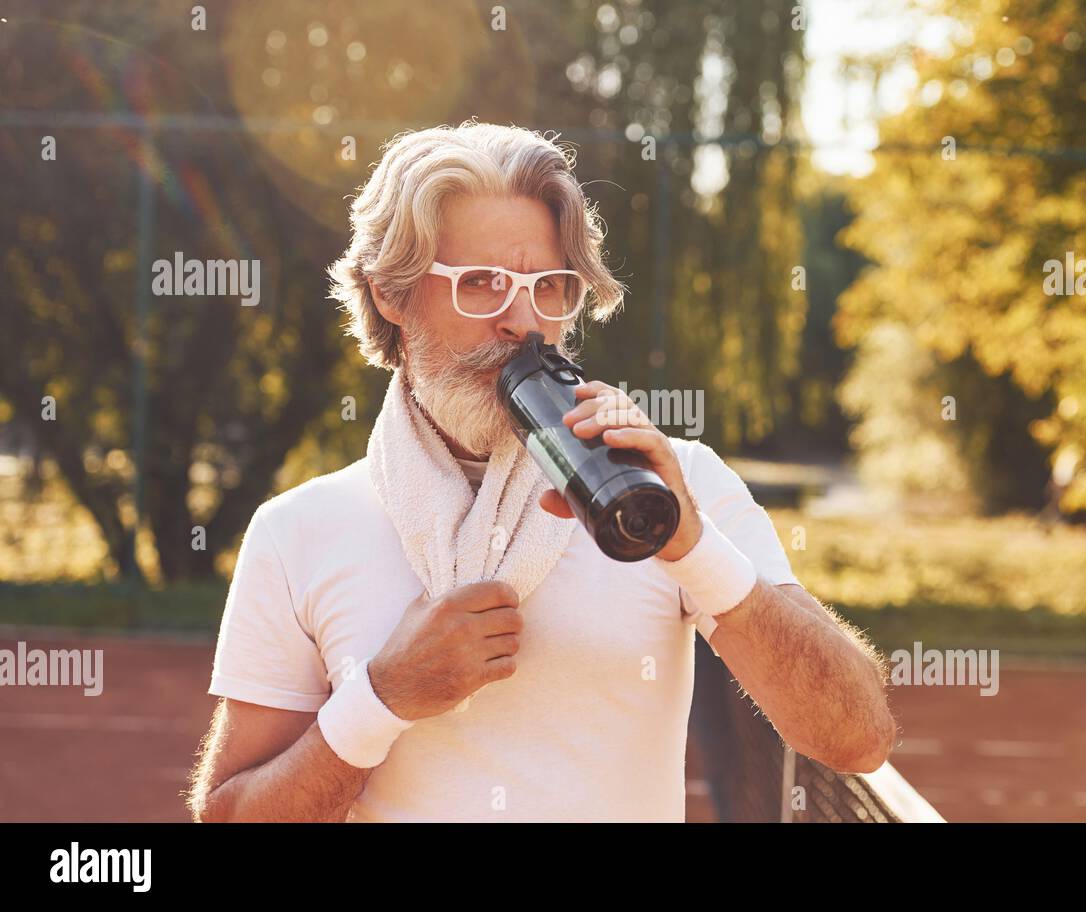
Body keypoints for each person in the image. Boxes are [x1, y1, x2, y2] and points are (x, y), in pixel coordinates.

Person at [186, 122, 895, 822]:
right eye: (482, 283)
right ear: (390, 295)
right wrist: (378, 700)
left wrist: (689, 542)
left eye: (550, 286)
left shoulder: (676, 486)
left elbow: (857, 738)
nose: (522, 320)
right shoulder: (298, 531)